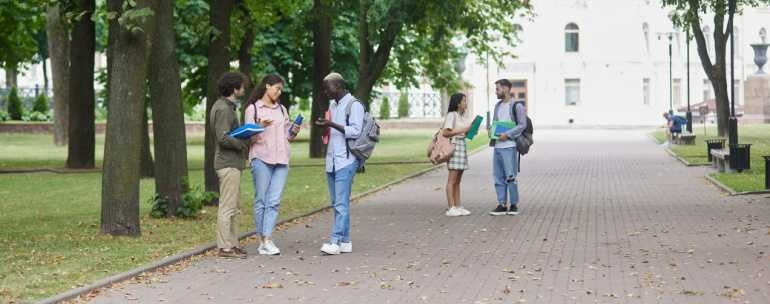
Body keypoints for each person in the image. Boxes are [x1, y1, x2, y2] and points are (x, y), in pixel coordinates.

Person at [244, 74, 300, 256]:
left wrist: (293, 131)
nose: (279, 91)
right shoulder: (253, 109)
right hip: (261, 158)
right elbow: (248, 137)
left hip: (281, 159)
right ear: (267, 86)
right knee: (261, 200)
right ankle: (263, 240)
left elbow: (288, 136)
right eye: (277, 87)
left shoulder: (282, 109)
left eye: (281, 89)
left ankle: (267, 239)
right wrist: (259, 125)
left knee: (274, 201)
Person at [314, 72, 365, 255]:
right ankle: (345, 240)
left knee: (341, 204)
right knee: (338, 203)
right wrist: (325, 126)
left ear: (338, 86)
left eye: (327, 87)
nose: (325, 91)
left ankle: (334, 241)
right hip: (332, 160)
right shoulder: (333, 104)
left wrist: (332, 124)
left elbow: (356, 131)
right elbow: (333, 132)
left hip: (346, 160)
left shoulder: (354, 105)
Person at [210, 72, 249, 258]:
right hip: (228, 163)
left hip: (232, 163)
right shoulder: (224, 109)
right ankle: (225, 247)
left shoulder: (226, 107)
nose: (243, 89)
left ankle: (232, 244)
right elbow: (223, 137)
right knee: (227, 206)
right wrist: (241, 144)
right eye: (242, 86)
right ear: (235, 88)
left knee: (233, 206)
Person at [488, 79, 527, 216]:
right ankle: (502, 204)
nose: (496, 92)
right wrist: (491, 130)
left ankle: (514, 204)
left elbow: (522, 125)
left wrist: (508, 134)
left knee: (510, 177)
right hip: (497, 147)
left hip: (509, 146)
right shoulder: (497, 106)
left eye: (498, 89)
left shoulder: (517, 106)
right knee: (498, 176)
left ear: (506, 88)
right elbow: (494, 123)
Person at [442, 93, 473, 217]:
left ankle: (458, 206)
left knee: (458, 180)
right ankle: (451, 207)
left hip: (461, 147)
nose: (466, 103)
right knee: (452, 179)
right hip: (454, 148)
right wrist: (464, 130)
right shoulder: (452, 115)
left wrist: (469, 132)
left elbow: (460, 133)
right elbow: (445, 132)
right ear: (458, 103)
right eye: (464, 101)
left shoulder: (461, 116)